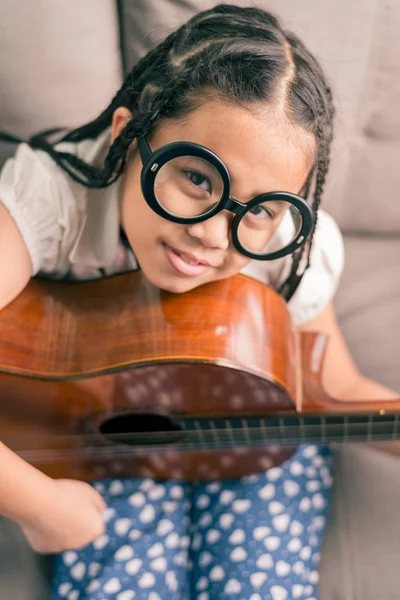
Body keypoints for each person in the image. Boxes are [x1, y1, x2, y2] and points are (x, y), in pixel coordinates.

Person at [0, 4, 397, 599]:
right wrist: (45, 508)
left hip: (245, 433)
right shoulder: (48, 201)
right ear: (126, 137)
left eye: (259, 210)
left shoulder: (287, 248)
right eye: (197, 179)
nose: (213, 234)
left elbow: (332, 387)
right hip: (103, 432)